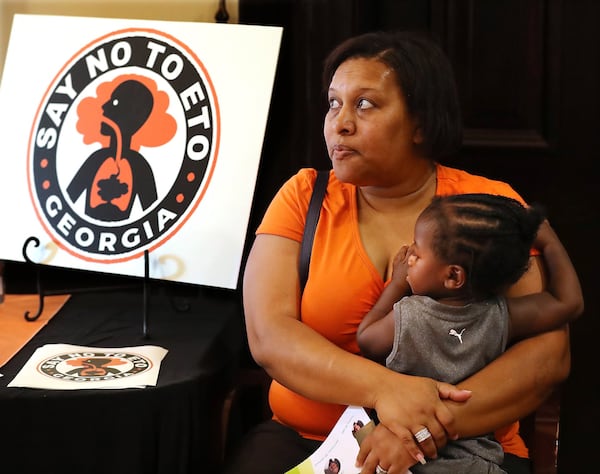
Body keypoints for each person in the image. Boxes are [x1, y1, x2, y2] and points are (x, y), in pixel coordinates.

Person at [225, 30, 581, 474]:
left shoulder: (487, 206)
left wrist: (423, 429)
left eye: (365, 104)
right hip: (309, 444)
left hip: (465, 450)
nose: (341, 123)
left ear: (421, 122)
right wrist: (385, 391)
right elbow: (269, 337)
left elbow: (547, 356)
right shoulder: (303, 196)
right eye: (334, 103)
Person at [356, 193, 583, 473]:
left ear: (453, 277)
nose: (409, 256)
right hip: (476, 461)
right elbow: (568, 303)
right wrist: (548, 240)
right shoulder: (500, 317)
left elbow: (365, 339)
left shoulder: (408, 317)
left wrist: (397, 283)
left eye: (417, 252)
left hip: (407, 454)